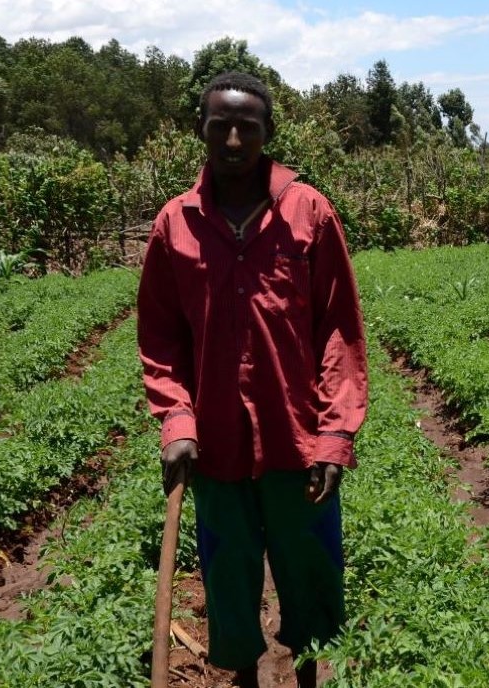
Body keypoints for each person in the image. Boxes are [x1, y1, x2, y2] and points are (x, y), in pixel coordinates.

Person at [137, 71, 368, 688]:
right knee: (229, 575)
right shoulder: (175, 224)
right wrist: (177, 420)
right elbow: (161, 337)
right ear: (202, 131)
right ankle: (244, 679)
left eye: (249, 127)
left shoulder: (309, 212)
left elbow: (339, 333)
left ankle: (309, 675)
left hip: (297, 442)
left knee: (310, 572)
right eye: (221, 126)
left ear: (268, 133)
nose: (234, 139)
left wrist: (334, 437)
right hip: (215, 447)